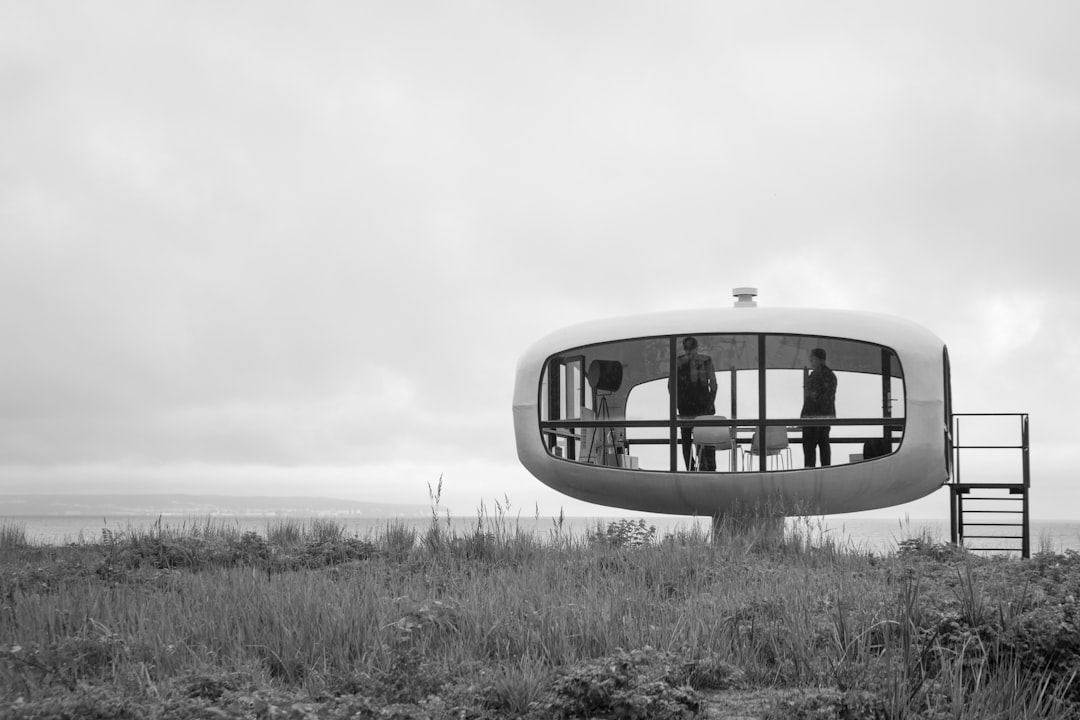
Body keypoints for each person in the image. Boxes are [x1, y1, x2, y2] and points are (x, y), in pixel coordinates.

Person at [669, 336, 717, 470]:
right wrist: (710, 403)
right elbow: (713, 385)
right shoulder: (705, 361)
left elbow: (671, 387)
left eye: (690, 349)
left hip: (689, 407)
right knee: (702, 439)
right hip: (698, 407)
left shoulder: (678, 362)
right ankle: (704, 467)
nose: (690, 352)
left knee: (688, 440)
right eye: (688, 349)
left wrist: (677, 403)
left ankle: (692, 468)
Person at [801, 347, 837, 467]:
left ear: (818, 359)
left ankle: (813, 473)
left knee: (813, 449)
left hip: (816, 418)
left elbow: (819, 399)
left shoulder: (823, 376)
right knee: (822, 446)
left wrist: (806, 416)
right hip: (820, 418)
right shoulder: (826, 375)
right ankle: (823, 472)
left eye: (812, 358)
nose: (811, 361)